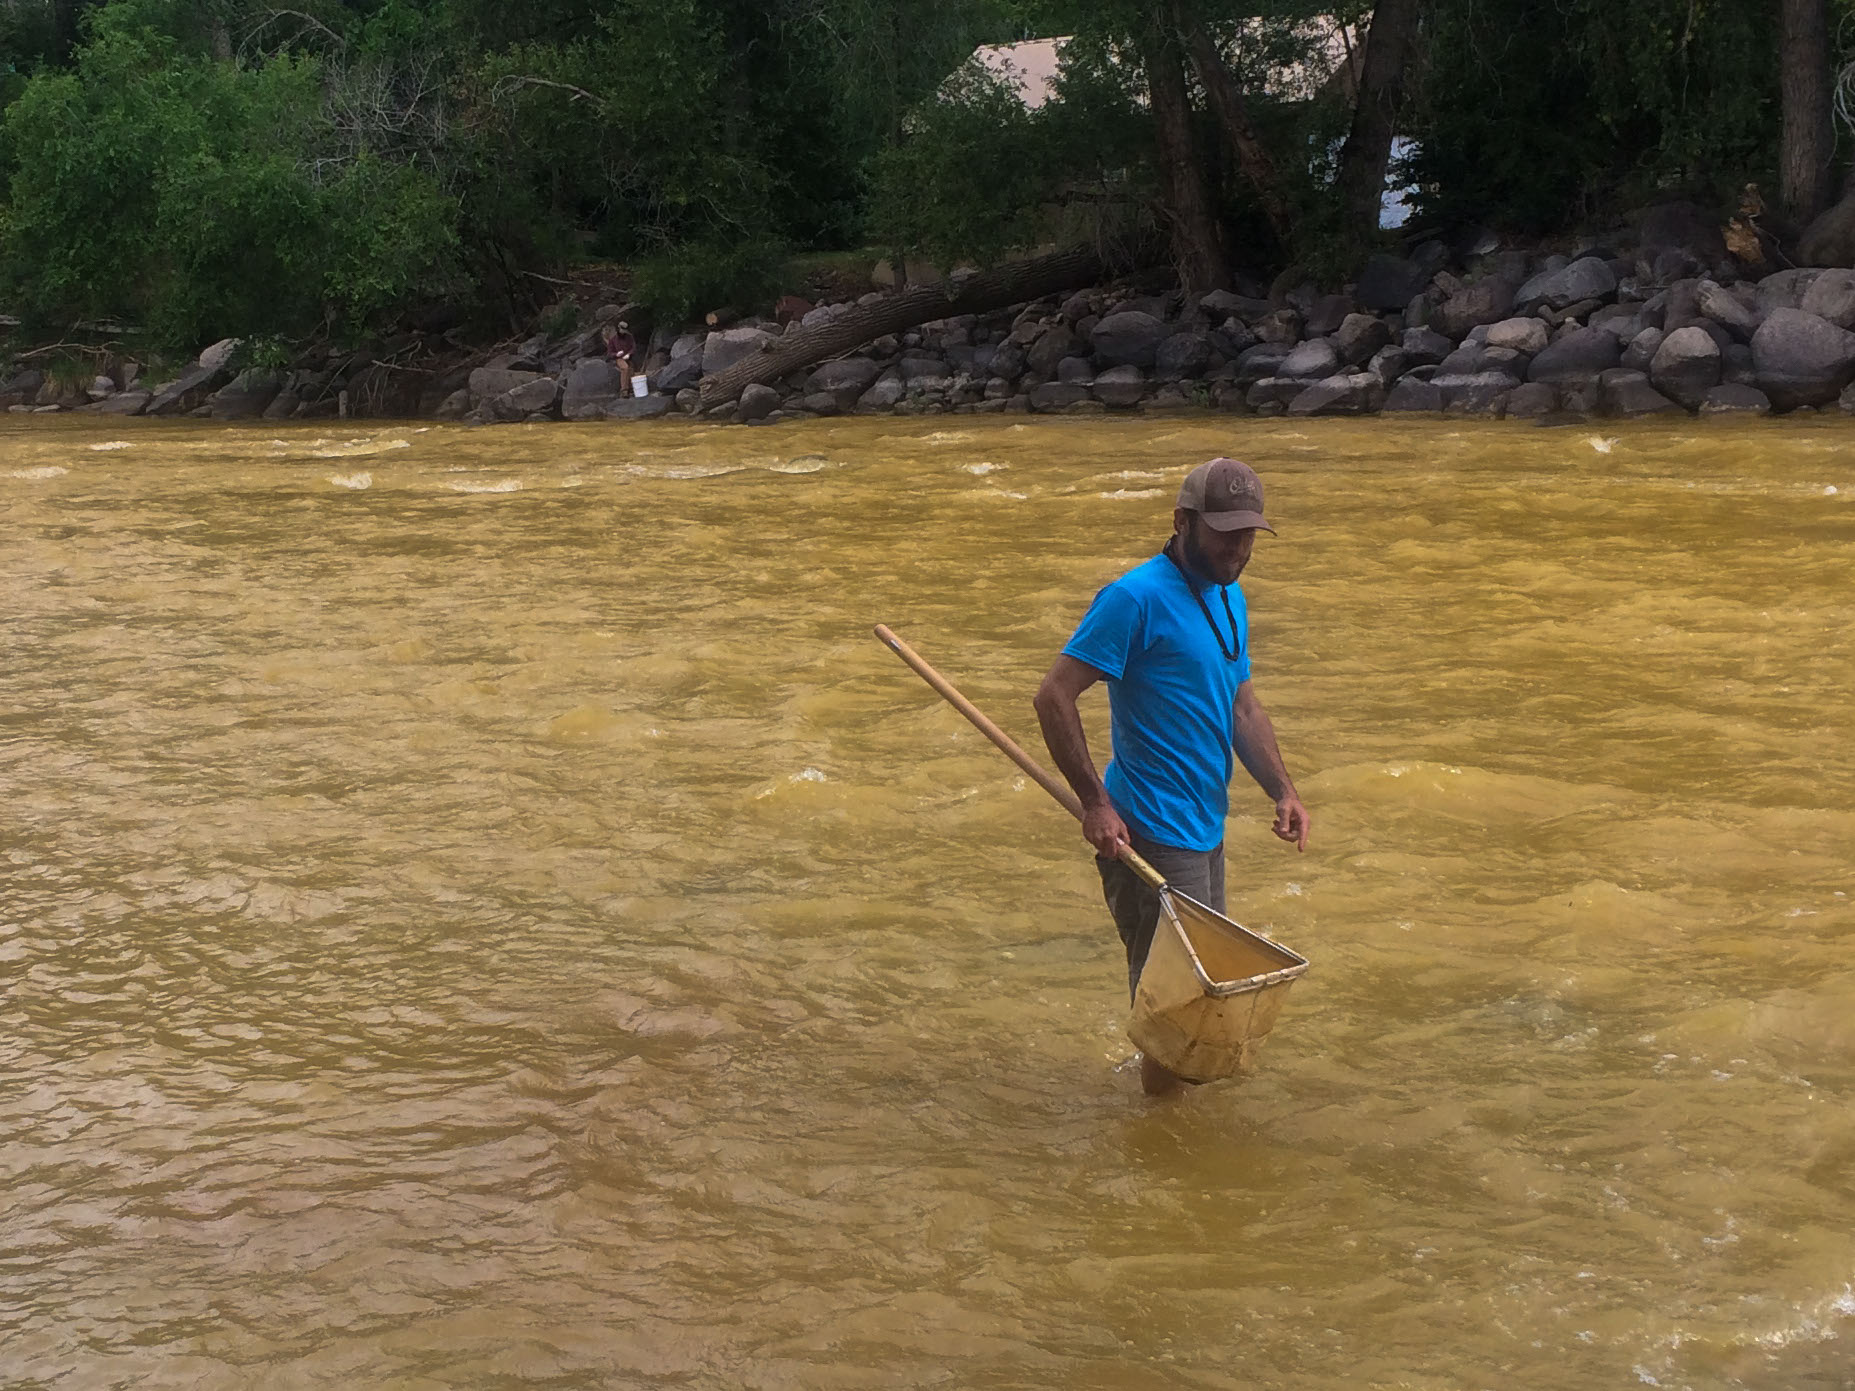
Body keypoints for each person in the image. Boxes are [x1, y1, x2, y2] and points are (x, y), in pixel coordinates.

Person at [1033, 457, 1310, 1097]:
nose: (1238, 550)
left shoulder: (1227, 593)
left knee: (1196, 1000)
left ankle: (1166, 1121)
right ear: (1181, 522)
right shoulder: (1134, 598)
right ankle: (1158, 1142)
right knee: (1176, 1005)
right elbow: (1054, 695)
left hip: (1203, 828)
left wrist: (1284, 791)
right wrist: (1095, 805)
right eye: (1224, 534)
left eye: (1248, 536)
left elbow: (1240, 705)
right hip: (1150, 832)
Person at [601, 320, 637, 395]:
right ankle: (624, 390)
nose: (624, 332)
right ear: (619, 329)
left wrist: (629, 354)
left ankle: (631, 389)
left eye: (625, 330)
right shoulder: (613, 339)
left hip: (628, 357)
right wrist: (616, 354)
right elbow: (610, 353)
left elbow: (633, 347)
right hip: (619, 358)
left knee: (631, 369)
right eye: (622, 330)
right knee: (625, 367)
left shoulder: (629, 337)